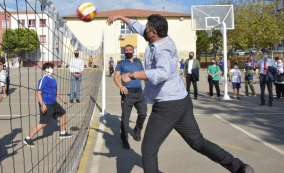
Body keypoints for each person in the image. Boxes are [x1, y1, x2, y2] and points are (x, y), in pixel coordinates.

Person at [106, 14, 254, 173]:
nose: (145, 29)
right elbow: (138, 27)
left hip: (167, 105)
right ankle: (239, 167)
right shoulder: (157, 38)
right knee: (197, 142)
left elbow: (162, 73)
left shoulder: (163, 49)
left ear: (154, 32)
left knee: (148, 150)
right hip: (181, 101)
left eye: (147, 27)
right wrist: (121, 17)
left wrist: (133, 75)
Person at [24, 62, 72, 147]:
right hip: (46, 103)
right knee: (44, 123)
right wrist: (42, 104)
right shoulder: (44, 79)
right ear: (44, 70)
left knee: (63, 113)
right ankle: (28, 138)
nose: (50, 69)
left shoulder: (54, 79)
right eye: (48, 68)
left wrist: (62, 99)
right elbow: (38, 93)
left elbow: (56, 91)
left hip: (53, 102)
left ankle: (62, 133)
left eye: (51, 68)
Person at [113, 44, 147, 149]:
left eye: (130, 50)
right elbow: (115, 77)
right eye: (126, 50)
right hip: (127, 94)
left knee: (143, 113)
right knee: (125, 118)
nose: (128, 51)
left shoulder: (139, 62)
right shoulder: (121, 64)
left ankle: (137, 129)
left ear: (133, 51)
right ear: (124, 52)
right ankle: (124, 139)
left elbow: (143, 74)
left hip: (139, 93)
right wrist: (121, 86)